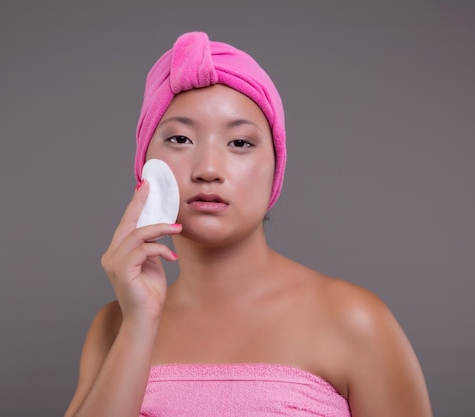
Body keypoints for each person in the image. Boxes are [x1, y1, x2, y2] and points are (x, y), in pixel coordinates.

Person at [64, 31, 433, 417]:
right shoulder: (116, 325)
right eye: (179, 138)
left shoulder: (354, 320)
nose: (208, 169)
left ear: (276, 167)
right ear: (144, 167)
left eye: (240, 143)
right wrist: (140, 324)